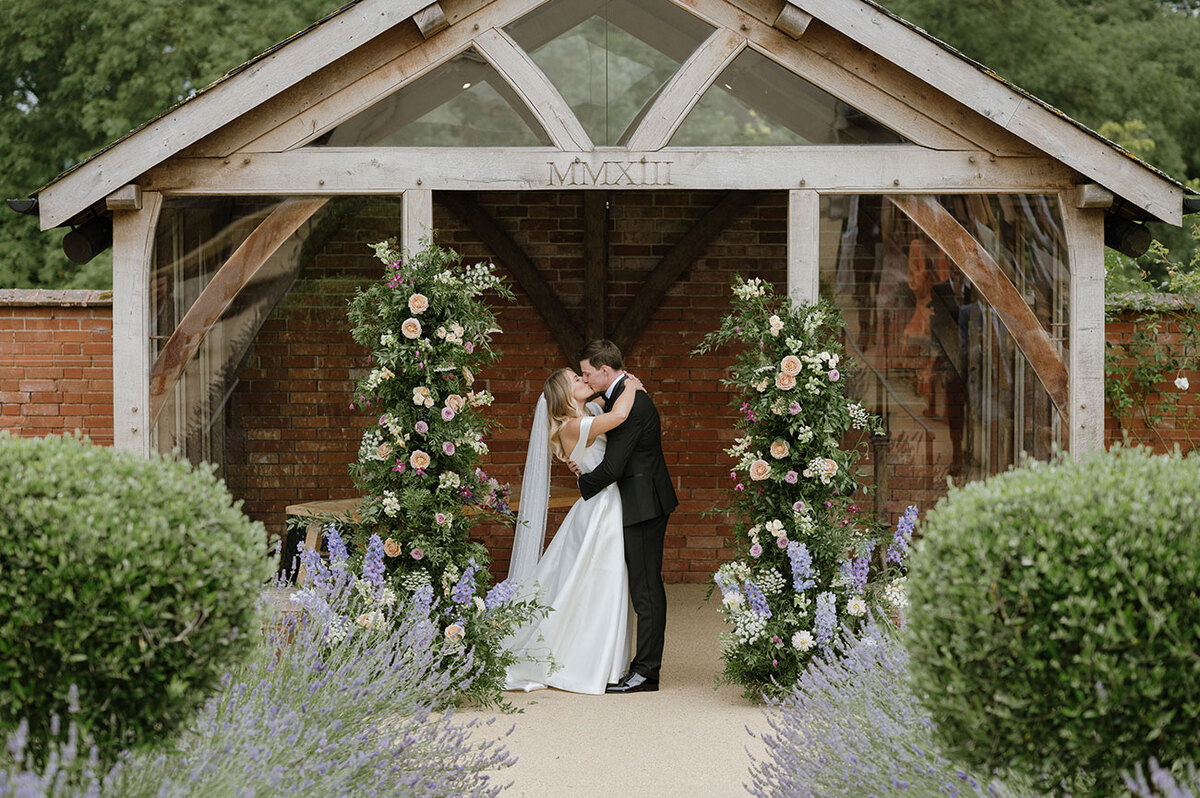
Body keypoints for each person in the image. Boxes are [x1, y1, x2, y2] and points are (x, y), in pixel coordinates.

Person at [503, 367, 645, 695]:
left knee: (597, 583)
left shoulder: (590, 412)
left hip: (604, 503)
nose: (583, 381)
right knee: (601, 581)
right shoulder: (572, 426)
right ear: (565, 397)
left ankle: (601, 659)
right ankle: (585, 664)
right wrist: (631, 384)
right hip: (600, 508)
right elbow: (621, 414)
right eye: (576, 380)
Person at [576, 340, 677, 695]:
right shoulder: (621, 395)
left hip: (644, 505)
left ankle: (647, 672)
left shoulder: (633, 404)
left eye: (588, 374)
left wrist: (582, 481)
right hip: (637, 502)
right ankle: (642, 666)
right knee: (642, 587)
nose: (585, 380)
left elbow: (614, 467)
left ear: (606, 371)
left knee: (646, 589)